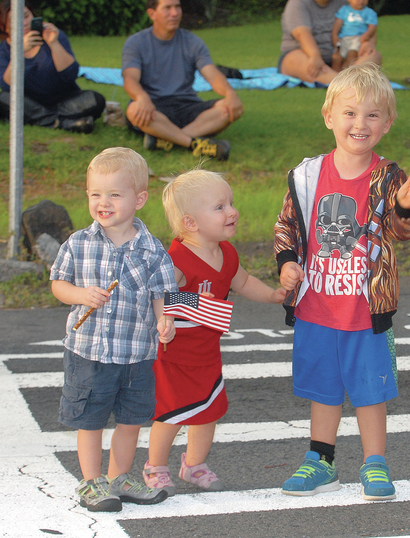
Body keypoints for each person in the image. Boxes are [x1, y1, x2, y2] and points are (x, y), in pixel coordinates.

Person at [274, 64, 410, 501]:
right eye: (351, 113)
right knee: (322, 387)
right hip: (316, 305)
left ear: (388, 123)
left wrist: (407, 209)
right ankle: (320, 460)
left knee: (369, 388)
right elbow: (287, 225)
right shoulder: (307, 174)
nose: (361, 124)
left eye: (373, 115)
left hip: (364, 309)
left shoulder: (390, 178)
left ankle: (374, 462)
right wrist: (286, 263)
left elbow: (400, 232)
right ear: (329, 116)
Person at [142, 170, 286, 496]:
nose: (232, 211)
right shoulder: (176, 260)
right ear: (191, 223)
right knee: (172, 413)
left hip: (207, 353)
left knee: (208, 410)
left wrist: (272, 294)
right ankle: (155, 466)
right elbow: (155, 295)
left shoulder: (227, 253)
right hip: (174, 354)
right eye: (220, 207)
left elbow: (244, 282)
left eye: (230, 203)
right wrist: (186, 302)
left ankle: (193, 464)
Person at [50, 147, 178, 513]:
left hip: (136, 353)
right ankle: (92, 482)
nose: (102, 202)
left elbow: (163, 293)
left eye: (114, 195)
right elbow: (58, 284)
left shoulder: (152, 249)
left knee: (130, 420)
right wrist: (80, 294)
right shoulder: (79, 243)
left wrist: (164, 319)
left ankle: (119, 477)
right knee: (89, 419)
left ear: (139, 199)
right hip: (87, 351)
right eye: (95, 194)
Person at [122, 0, 243, 160]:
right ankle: (193, 143)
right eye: (168, 8)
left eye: (177, 7)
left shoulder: (192, 41)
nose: (175, 13)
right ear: (152, 14)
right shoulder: (136, 43)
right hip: (155, 108)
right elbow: (130, 78)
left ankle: (167, 139)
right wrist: (142, 97)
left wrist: (230, 93)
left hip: (187, 105)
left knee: (229, 108)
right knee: (134, 109)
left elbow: (212, 74)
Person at [0, 0, 105, 133]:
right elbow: (6, 86)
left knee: (96, 99)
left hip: (65, 100)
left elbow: (70, 74)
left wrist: (53, 43)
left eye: (26, 16)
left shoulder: (54, 35)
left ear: (33, 15)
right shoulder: (4, 50)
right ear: (5, 27)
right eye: (15, 20)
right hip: (30, 103)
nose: (24, 23)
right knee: (4, 98)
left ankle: (45, 119)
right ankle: (63, 123)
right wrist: (19, 52)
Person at [278, 0, 381, 85]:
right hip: (305, 54)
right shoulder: (298, 3)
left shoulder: (344, 3)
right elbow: (302, 34)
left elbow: (367, 28)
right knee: (296, 59)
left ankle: (347, 81)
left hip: (339, 57)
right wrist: (315, 55)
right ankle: (346, 83)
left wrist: (369, 43)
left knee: (373, 55)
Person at [331, 0, 378, 72]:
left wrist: (367, 35)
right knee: (337, 57)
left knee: (352, 55)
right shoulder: (344, 10)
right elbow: (338, 24)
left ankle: (347, 74)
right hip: (344, 38)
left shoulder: (369, 12)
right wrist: (335, 35)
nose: (361, 1)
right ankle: (334, 77)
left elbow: (372, 26)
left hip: (358, 38)